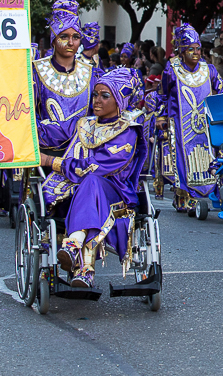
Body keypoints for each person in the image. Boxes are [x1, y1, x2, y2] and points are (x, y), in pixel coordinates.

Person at [42, 68, 148, 288]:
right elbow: (55, 132)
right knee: (88, 185)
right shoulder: (84, 123)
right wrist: (26, 130)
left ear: (119, 99)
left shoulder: (129, 130)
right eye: (95, 94)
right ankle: (84, 268)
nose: (97, 100)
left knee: (92, 180)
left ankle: (74, 246)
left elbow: (98, 167)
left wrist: (52, 162)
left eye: (105, 95)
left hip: (116, 197)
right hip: (77, 192)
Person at [157, 23, 223, 212]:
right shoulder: (172, 69)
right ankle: (185, 196)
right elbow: (162, 95)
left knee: (205, 157)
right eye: (191, 49)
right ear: (181, 51)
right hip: (180, 123)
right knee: (182, 158)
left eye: (198, 49)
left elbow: (222, 88)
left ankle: (209, 194)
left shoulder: (208, 69)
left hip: (204, 125)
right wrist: (161, 117)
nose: (196, 53)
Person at [33, 0, 94, 159]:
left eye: (76, 37)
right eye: (64, 36)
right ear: (53, 39)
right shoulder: (36, 70)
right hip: (45, 152)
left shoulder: (90, 72)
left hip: (82, 152)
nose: (71, 42)